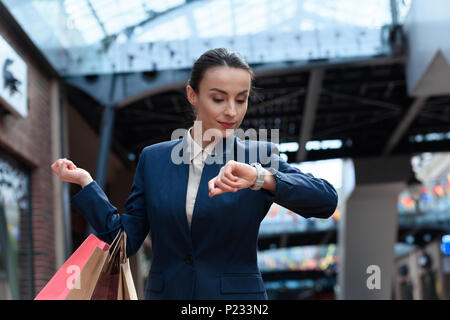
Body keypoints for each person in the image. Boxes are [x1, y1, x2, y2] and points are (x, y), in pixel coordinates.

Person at [51, 48, 338, 300]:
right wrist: (86, 184)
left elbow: (326, 200)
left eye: (241, 99)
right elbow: (123, 243)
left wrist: (260, 178)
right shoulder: (154, 159)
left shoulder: (258, 157)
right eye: (218, 98)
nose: (231, 111)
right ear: (193, 95)